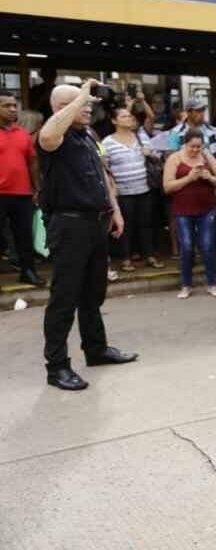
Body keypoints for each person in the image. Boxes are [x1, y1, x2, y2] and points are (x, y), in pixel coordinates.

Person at [36, 80, 138, 391]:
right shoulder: (53, 136)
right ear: (62, 107)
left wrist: (115, 209)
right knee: (64, 298)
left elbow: (103, 174)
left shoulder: (88, 135)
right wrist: (78, 97)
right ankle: (57, 367)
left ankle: (96, 349)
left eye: (89, 102)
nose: (89, 106)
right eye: (82, 103)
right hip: (69, 225)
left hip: (96, 223)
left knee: (93, 294)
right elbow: (49, 135)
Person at [163, 129, 216, 299]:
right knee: (187, 246)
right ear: (185, 144)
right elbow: (167, 187)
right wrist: (189, 178)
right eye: (192, 147)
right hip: (183, 209)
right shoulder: (174, 159)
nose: (196, 150)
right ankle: (186, 285)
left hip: (207, 208)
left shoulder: (207, 157)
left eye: (199, 147)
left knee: (208, 245)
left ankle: (212, 283)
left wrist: (209, 178)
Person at [102, 107, 163, 272]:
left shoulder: (141, 137)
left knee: (146, 224)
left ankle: (149, 255)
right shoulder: (107, 142)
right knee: (125, 226)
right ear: (114, 121)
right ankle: (126, 258)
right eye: (124, 116)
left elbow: (158, 157)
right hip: (122, 191)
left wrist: (149, 153)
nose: (129, 118)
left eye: (129, 116)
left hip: (144, 188)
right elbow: (104, 167)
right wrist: (111, 188)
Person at [0, 91, 45, 286]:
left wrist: (36, 188)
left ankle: (28, 272)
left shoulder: (22, 134)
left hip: (22, 194)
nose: (12, 109)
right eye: (6, 105)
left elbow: (33, 161)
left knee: (25, 236)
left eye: (13, 105)